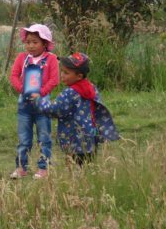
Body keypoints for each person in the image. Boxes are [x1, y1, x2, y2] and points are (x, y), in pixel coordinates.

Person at [35, 53, 119, 166]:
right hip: (90, 138)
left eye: (66, 73)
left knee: (74, 171)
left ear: (79, 76)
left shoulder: (69, 93)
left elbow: (55, 110)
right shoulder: (92, 88)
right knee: (87, 168)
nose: (62, 75)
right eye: (62, 71)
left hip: (74, 140)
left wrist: (39, 102)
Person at [8, 23, 60, 179]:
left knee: (44, 137)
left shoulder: (51, 59)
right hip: (24, 104)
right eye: (28, 42)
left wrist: (41, 92)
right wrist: (21, 89)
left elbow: (54, 80)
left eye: (35, 42)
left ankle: (43, 168)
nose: (30, 46)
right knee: (24, 138)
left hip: (42, 104)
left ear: (45, 43)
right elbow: (14, 76)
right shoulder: (22, 58)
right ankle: (21, 167)